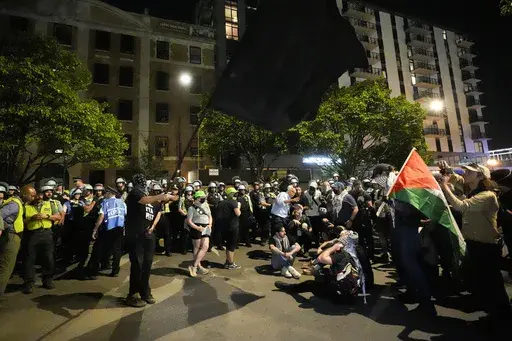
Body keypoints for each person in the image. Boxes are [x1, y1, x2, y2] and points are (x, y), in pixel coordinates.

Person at [440, 162, 512, 328]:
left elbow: (461, 206)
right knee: (483, 281)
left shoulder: (487, 195)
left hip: (486, 246)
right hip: (476, 243)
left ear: (480, 176)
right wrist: (447, 171)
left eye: (469, 172)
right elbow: (457, 179)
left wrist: (445, 187)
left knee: (492, 283)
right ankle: (491, 312)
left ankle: (501, 317)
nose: (464, 173)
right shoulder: (473, 190)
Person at [124, 174, 177, 308]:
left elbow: (158, 210)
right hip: (136, 234)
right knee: (137, 264)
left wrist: (169, 197)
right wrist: (160, 197)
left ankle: (145, 292)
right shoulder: (136, 193)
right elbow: (144, 201)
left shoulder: (150, 198)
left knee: (147, 265)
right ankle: (133, 294)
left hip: (149, 235)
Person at [22, 185, 62, 294]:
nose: (38, 198)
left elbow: (58, 217)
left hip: (47, 233)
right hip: (32, 234)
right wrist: (31, 218)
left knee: (48, 258)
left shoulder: (50, 204)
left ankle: (48, 280)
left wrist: (47, 216)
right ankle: (29, 283)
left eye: (40, 195)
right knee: (30, 259)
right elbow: (21, 221)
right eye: (36, 196)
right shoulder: (25, 206)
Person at [0, 185, 34, 298]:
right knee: (5, 268)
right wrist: (6, 228)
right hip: (10, 237)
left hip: (13, 236)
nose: (33, 198)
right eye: (31, 196)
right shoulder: (14, 204)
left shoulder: (18, 204)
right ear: (25, 194)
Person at [86, 186, 127, 279]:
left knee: (98, 249)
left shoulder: (105, 202)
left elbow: (101, 216)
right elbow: (125, 215)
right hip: (119, 229)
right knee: (117, 250)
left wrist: (95, 229)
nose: (105, 194)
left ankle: (94, 272)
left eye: (106, 193)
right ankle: (115, 271)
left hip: (107, 229)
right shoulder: (122, 203)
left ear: (110, 193)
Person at [186, 191, 212, 277]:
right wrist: (197, 228)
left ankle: (194, 266)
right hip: (196, 227)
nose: (203, 199)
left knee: (205, 246)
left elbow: (210, 216)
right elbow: (189, 221)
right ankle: (198, 266)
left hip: (206, 227)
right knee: (197, 247)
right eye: (201, 198)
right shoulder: (191, 208)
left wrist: (210, 224)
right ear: (197, 199)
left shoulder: (206, 205)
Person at [216, 187, 242, 269]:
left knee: (228, 245)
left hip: (224, 226)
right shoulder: (233, 202)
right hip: (233, 226)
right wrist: (239, 206)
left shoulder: (222, 202)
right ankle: (230, 263)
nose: (236, 194)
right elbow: (238, 213)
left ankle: (228, 261)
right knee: (231, 246)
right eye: (235, 193)